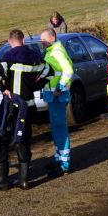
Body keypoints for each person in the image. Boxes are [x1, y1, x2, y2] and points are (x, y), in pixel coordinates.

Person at [0, 29, 50, 191]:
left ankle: (1, 181)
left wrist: (3, 88)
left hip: (11, 106)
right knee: (23, 140)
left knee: (2, 139)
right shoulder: (35, 56)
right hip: (29, 106)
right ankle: (24, 180)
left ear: (10, 41)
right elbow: (49, 72)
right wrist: (36, 86)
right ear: (23, 40)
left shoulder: (8, 57)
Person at [41, 28, 73, 177]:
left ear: (52, 37)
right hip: (53, 96)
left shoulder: (56, 51)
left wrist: (59, 87)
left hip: (57, 96)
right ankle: (58, 159)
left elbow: (68, 70)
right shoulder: (51, 50)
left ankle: (64, 164)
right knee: (56, 128)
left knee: (59, 128)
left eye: (44, 39)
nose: (42, 42)